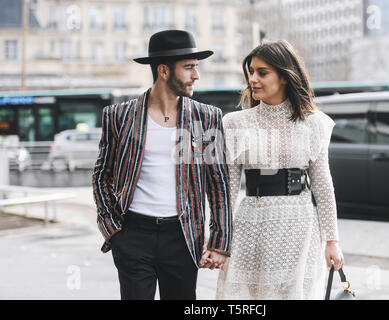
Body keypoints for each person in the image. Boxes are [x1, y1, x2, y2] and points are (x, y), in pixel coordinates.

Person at [92, 30, 232, 300]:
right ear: (164, 70)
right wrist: (113, 230)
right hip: (133, 234)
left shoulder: (205, 118)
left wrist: (219, 242)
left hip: (182, 236)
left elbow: (218, 184)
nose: (196, 75)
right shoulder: (119, 116)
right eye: (189, 67)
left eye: (196, 67)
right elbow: (101, 176)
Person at [216, 40, 344, 300]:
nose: (253, 79)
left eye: (262, 72)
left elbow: (322, 185)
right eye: (251, 72)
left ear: (285, 76)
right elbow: (228, 187)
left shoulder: (314, 124)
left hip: (300, 227)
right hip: (250, 225)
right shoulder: (235, 124)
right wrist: (220, 238)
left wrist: (332, 241)